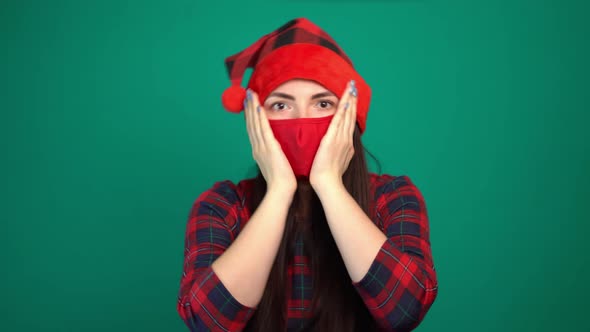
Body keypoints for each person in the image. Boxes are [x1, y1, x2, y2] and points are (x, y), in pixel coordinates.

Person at [177, 17, 438, 332]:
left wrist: (329, 185)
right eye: (281, 106)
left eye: (323, 103)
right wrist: (279, 192)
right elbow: (207, 322)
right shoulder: (222, 205)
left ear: (349, 117)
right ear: (255, 122)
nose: (302, 121)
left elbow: (405, 311)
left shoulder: (393, 198)